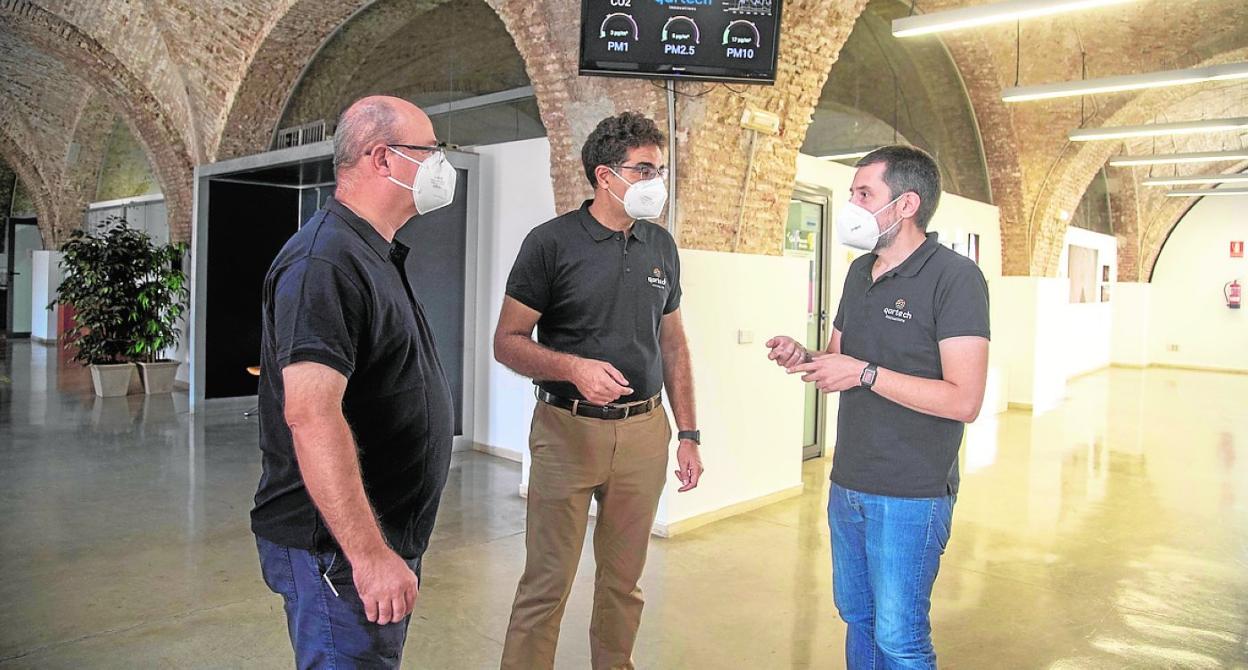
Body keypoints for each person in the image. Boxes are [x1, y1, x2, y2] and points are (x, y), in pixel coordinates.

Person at [250, 95, 460, 668]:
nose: (442, 164)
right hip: (337, 550)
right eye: (431, 150)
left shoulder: (372, 251)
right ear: (382, 158)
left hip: (378, 533)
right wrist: (368, 556)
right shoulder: (325, 263)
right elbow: (310, 414)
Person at [766, 145, 990, 669]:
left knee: (900, 636)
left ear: (906, 204)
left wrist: (865, 374)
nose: (853, 205)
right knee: (858, 618)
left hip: (911, 493)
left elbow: (965, 399)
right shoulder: (858, 272)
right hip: (849, 482)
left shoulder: (955, 278)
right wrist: (807, 356)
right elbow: (840, 358)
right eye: (851, 194)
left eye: (865, 194)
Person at [495, 111, 704, 670]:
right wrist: (572, 367)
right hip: (566, 431)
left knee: (623, 582)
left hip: (644, 433)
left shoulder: (661, 245)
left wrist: (688, 433)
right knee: (546, 583)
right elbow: (507, 342)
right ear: (604, 175)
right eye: (644, 169)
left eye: (660, 169)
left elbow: (676, 346)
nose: (656, 182)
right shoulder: (550, 243)